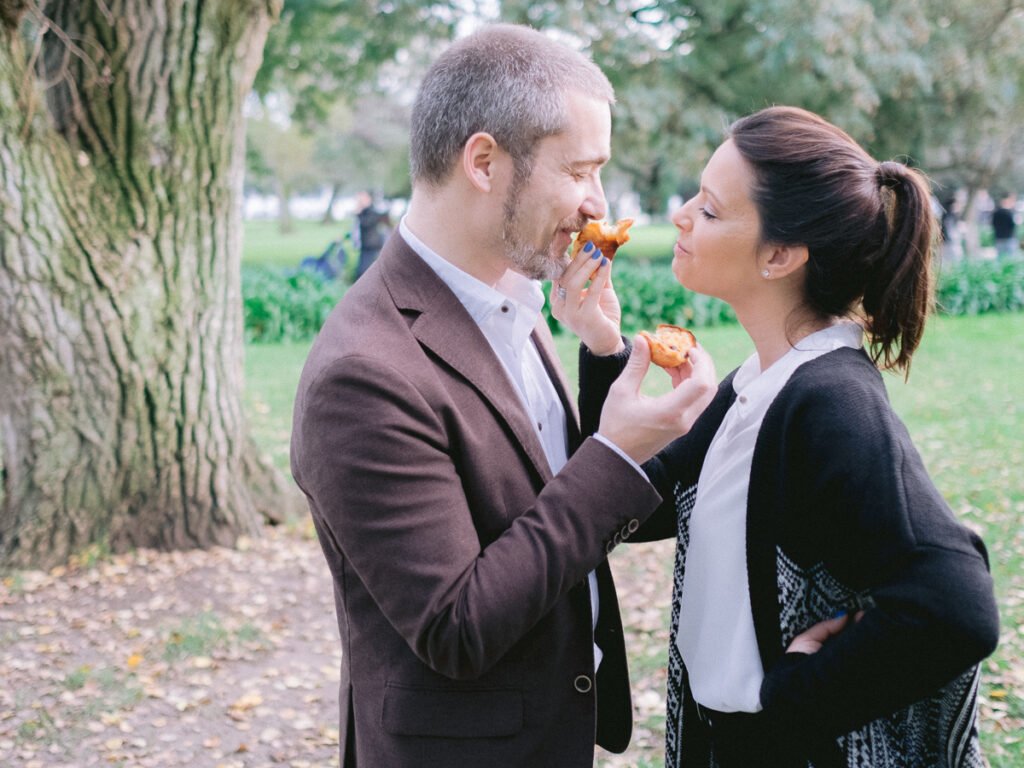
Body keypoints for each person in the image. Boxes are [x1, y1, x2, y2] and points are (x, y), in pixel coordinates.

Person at [290, 24, 718, 767]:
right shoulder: (362, 374)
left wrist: (603, 352)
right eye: (579, 171)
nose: (596, 205)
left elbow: (552, 502)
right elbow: (456, 627)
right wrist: (616, 452)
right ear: (484, 163)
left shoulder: (513, 296)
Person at [558, 106, 1000, 767]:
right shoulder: (758, 383)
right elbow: (633, 508)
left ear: (780, 255)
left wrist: (793, 699)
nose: (680, 217)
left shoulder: (831, 403)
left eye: (709, 210)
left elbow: (955, 607)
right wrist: (602, 345)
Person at [352, 190, 392, 279]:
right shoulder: (365, 212)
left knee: (363, 273)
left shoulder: (372, 211)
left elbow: (366, 223)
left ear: (368, 199)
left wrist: (358, 213)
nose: (359, 202)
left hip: (372, 247)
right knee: (362, 273)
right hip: (366, 247)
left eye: (361, 199)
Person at [992, 193, 1018, 259]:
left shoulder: (996, 212)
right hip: (1009, 237)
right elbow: (1013, 225)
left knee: (1000, 257)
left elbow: (993, 224)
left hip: (999, 237)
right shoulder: (1009, 213)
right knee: (1010, 257)